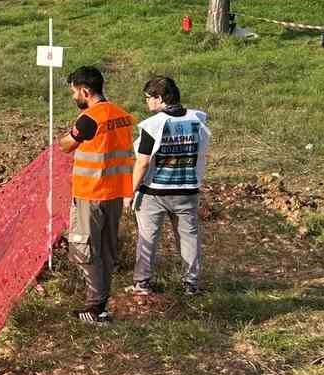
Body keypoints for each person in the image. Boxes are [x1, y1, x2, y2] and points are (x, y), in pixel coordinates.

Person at [58, 66, 135, 324]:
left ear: (85, 91)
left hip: (90, 193)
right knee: (105, 249)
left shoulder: (89, 119)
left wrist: (68, 135)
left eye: (74, 92)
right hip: (114, 192)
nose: (73, 98)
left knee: (84, 249)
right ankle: (100, 305)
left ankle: (95, 306)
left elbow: (66, 145)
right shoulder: (122, 115)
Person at [127, 76, 210, 298]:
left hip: (155, 192)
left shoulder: (152, 125)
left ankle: (142, 283)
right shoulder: (198, 119)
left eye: (148, 98)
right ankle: (191, 284)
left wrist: (130, 191)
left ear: (159, 98)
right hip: (187, 190)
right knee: (188, 237)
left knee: (148, 238)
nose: (146, 103)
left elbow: (142, 162)